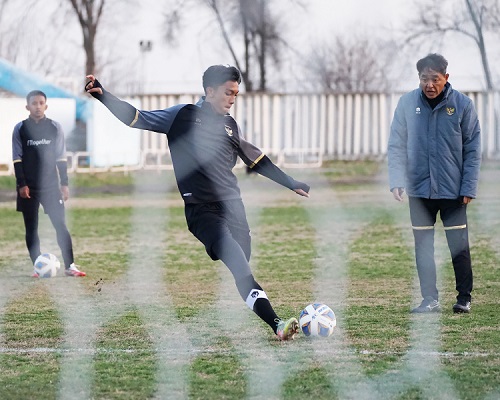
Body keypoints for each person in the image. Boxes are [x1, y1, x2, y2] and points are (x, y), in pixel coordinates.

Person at [85, 65, 310, 340]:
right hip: (202, 211)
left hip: (233, 207)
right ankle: (277, 324)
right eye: (228, 93)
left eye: (236, 94)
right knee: (240, 268)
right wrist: (104, 95)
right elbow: (136, 118)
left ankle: (235, 269)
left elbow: (256, 159)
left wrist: (291, 182)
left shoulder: (230, 126)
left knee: (243, 261)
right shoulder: (183, 116)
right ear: (210, 91)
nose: (232, 99)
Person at [388, 54, 481, 314]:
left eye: (435, 79)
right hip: (419, 191)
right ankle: (429, 299)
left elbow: (473, 149)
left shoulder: (462, 105)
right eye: (424, 79)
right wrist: (396, 179)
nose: (429, 85)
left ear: (446, 79)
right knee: (423, 249)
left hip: (454, 192)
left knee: (458, 247)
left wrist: (468, 187)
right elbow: (396, 144)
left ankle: (464, 298)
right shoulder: (407, 104)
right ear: (418, 79)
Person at [12, 90, 86, 277]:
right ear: (27, 106)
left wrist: (64, 183)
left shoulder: (55, 127)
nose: (38, 106)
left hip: (51, 186)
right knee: (32, 227)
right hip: (28, 187)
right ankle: (37, 267)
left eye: (41, 103)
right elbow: (17, 158)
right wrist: (22, 184)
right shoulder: (20, 129)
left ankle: (71, 266)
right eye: (34, 103)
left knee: (60, 225)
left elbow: (61, 157)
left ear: (46, 105)